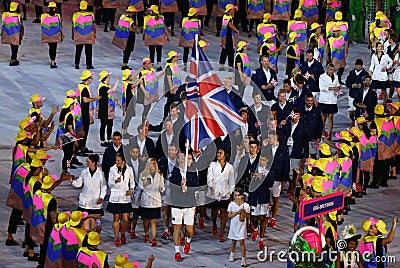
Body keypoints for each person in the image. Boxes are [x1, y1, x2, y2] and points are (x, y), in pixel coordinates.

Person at [169, 152, 199, 262]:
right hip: (177, 203)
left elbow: (196, 185)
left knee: (189, 229)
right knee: (177, 227)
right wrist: (180, 183)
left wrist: (188, 187)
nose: (183, 159)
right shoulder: (175, 171)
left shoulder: (191, 171)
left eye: (184, 157)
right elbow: (171, 185)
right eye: (181, 157)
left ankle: (188, 241)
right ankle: (177, 252)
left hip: (189, 204)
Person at [207, 148, 235, 242]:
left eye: (220, 153)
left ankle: (222, 233)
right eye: (218, 152)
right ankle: (214, 224)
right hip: (214, 193)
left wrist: (230, 193)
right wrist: (211, 188)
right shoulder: (212, 164)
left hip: (224, 193)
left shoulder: (230, 167)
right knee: (214, 212)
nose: (218, 154)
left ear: (225, 155)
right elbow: (209, 177)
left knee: (223, 213)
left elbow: (231, 181)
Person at [107, 153, 135, 247]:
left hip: (125, 197)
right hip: (115, 197)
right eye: (116, 160)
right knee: (116, 218)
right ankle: (117, 238)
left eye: (118, 160)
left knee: (126, 219)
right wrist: (115, 181)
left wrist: (131, 190)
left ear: (123, 161)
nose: (116, 162)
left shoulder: (129, 169)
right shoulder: (112, 169)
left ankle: (122, 232)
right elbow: (109, 183)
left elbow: (132, 181)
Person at [31, 175, 58, 268]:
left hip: (37, 222)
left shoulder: (37, 193)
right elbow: (53, 217)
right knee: (46, 245)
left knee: (42, 244)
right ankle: (42, 263)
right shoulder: (51, 200)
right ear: (50, 186)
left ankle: (41, 262)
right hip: (47, 225)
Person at [248, 153, 272, 249]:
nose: (261, 162)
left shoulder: (270, 170)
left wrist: (262, 178)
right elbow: (247, 176)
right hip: (254, 196)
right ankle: (256, 228)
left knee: (262, 218)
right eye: (260, 160)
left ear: (267, 161)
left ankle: (261, 239)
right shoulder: (254, 167)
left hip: (264, 197)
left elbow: (270, 183)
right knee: (254, 218)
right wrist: (251, 176)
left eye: (263, 160)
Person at [139, 158, 165, 246]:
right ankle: (146, 233)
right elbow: (140, 186)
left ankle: (153, 238)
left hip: (155, 200)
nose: (153, 165)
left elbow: (162, 186)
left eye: (154, 163)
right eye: (151, 164)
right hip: (146, 200)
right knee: (146, 220)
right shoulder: (143, 174)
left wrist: (162, 188)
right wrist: (145, 183)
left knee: (153, 220)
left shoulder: (160, 175)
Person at [266, 131, 289, 227]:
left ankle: (273, 218)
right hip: (267, 178)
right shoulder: (266, 149)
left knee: (275, 199)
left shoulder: (283, 149)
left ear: (276, 138)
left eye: (270, 138)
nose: (269, 140)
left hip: (277, 178)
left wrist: (284, 178)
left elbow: (286, 164)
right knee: (266, 198)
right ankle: (266, 216)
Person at [76, 70, 100, 155]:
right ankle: (80, 148)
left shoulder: (80, 86)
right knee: (84, 131)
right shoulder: (84, 89)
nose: (92, 79)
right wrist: (95, 99)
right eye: (91, 77)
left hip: (80, 112)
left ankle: (82, 147)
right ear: (88, 79)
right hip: (84, 113)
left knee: (82, 131)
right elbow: (85, 100)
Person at [97, 71, 121, 147]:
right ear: (104, 78)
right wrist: (117, 81)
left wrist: (117, 99)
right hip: (104, 108)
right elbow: (112, 90)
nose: (109, 78)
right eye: (108, 77)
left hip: (109, 108)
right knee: (103, 124)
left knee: (110, 124)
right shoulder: (102, 87)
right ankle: (102, 140)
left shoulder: (107, 85)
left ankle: (109, 139)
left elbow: (111, 94)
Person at [227, 188, 250, 267]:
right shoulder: (231, 205)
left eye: (238, 195)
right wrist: (237, 212)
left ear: (242, 196)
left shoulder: (246, 205)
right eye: (235, 195)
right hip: (234, 226)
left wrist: (244, 213)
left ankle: (243, 259)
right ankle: (232, 254)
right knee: (233, 241)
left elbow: (249, 215)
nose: (237, 197)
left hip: (242, 226)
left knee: (242, 242)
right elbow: (229, 215)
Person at [143, 5, 170, 71]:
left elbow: (144, 28)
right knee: (159, 51)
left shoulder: (146, 18)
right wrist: (168, 36)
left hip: (150, 37)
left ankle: (151, 65)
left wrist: (143, 36)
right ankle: (158, 65)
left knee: (151, 51)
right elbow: (164, 28)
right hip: (160, 37)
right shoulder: (162, 17)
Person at [112, 6, 139, 70]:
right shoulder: (131, 20)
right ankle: (124, 64)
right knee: (128, 50)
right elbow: (132, 29)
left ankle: (124, 62)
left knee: (125, 50)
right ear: (132, 13)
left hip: (123, 36)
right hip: (129, 37)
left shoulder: (122, 17)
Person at [319, 63, 341, 140]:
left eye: (333, 70)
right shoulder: (322, 77)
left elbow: (337, 84)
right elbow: (322, 88)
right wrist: (333, 88)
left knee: (331, 117)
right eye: (330, 69)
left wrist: (338, 87)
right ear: (327, 69)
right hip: (324, 100)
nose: (332, 71)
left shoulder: (336, 76)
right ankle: (322, 131)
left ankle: (329, 134)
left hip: (332, 100)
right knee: (323, 116)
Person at [72, 0, 96, 69]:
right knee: (88, 50)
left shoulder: (75, 15)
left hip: (79, 33)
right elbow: (93, 25)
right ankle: (89, 64)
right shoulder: (91, 14)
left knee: (78, 49)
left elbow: (73, 25)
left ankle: (77, 64)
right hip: (88, 34)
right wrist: (94, 33)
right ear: (86, 7)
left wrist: (73, 34)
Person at [40, 2, 64, 68]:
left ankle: (52, 60)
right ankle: (53, 61)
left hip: (47, 34)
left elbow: (42, 25)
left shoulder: (43, 16)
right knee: (54, 48)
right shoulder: (58, 16)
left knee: (51, 47)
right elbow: (60, 25)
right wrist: (62, 34)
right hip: (56, 34)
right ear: (54, 8)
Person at [346, 59, 369, 125]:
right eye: (357, 66)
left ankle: (358, 123)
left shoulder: (365, 74)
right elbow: (347, 83)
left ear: (362, 66)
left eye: (359, 67)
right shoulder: (351, 73)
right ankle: (353, 120)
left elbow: (368, 85)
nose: (358, 68)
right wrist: (353, 85)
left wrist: (361, 86)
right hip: (352, 95)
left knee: (359, 112)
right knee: (351, 112)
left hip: (361, 96)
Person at [58, 98, 78, 174]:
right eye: (73, 104)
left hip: (65, 138)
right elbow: (70, 128)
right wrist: (75, 139)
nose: (74, 106)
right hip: (68, 138)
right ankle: (65, 170)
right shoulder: (69, 115)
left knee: (67, 155)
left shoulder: (65, 114)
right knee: (68, 156)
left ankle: (65, 170)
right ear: (70, 106)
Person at [1, 2, 24, 66]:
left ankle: (13, 57)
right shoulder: (18, 16)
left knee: (12, 45)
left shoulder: (4, 14)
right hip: (16, 33)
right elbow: (21, 26)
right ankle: (13, 59)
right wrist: (22, 34)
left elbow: (3, 23)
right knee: (15, 46)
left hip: (8, 33)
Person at [219, 4, 240, 70]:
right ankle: (230, 67)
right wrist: (237, 30)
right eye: (233, 10)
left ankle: (221, 65)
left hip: (224, 36)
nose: (234, 11)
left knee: (224, 51)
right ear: (230, 10)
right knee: (230, 52)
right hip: (228, 37)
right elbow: (231, 25)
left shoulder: (225, 16)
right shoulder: (229, 18)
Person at [164, 51, 181, 119]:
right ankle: (166, 116)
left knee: (171, 101)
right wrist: (171, 88)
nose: (177, 57)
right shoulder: (169, 67)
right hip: (171, 87)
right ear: (172, 58)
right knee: (170, 102)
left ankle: (169, 115)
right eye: (176, 56)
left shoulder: (175, 64)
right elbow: (169, 78)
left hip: (176, 86)